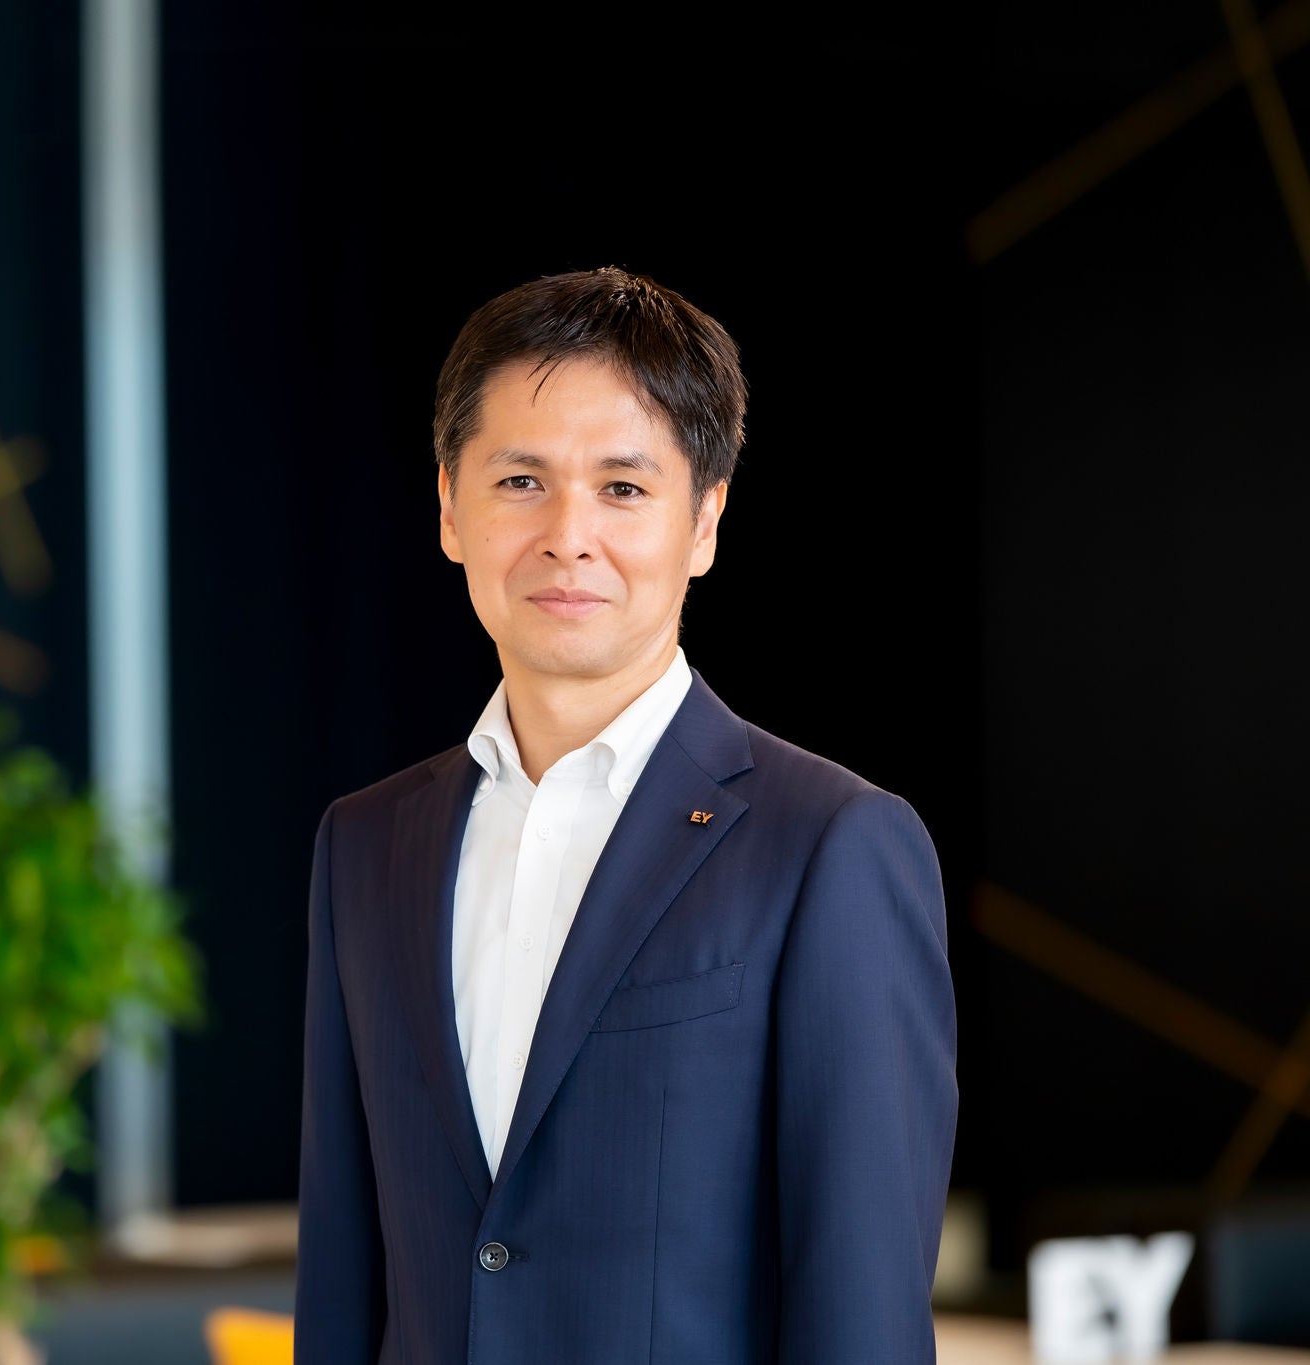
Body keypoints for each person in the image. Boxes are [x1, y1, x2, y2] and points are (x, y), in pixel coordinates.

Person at [293, 267, 957, 1363]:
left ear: (704, 522)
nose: (568, 535)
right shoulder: (364, 846)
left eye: (622, 487)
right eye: (520, 480)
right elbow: (341, 1283)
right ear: (450, 507)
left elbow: (863, 1317)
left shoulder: (828, 845)